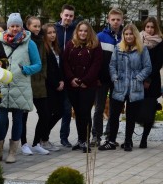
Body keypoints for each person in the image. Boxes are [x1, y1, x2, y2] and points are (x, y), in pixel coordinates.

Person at [0, 13, 42, 163]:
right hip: (2, 86)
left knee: (18, 120)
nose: (15, 29)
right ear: (7, 27)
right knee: (1, 120)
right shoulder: (0, 42)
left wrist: (26, 70)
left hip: (20, 87)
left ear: (22, 27)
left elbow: (38, 65)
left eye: (17, 26)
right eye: (12, 26)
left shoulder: (29, 43)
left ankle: (13, 152)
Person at [100, 24, 151, 152]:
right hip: (119, 87)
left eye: (131, 34)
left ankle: (128, 141)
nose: (128, 36)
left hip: (135, 88)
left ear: (135, 35)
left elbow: (147, 67)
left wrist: (138, 78)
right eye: (126, 34)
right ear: (123, 35)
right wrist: (115, 78)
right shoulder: (118, 48)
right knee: (114, 115)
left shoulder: (142, 49)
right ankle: (111, 141)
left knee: (131, 116)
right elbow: (112, 66)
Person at [62, 21, 102, 153]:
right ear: (77, 32)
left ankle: (85, 140)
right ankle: (80, 140)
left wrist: (85, 80)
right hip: (72, 84)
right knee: (78, 113)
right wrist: (71, 78)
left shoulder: (95, 45)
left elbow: (96, 65)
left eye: (85, 31)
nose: (83, 33)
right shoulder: (70, 44)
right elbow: (65, 62)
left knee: (85, 112)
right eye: (80, 31)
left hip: (88, 85)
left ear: (89, 32)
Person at [21, 16, 53, 156]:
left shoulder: (41, 41)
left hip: (40, 83)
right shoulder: (23, 41)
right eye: (34, 26)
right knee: (23, 116)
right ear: (27, 26)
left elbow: (44, 61)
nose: (37, 29)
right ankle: (23, 144)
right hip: (26, 81)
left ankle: (36, 143)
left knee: (45, 114)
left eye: (39, 26)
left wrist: (44, 75)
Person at [92, 8, 124, 145]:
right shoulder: (100, 37)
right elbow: (95, 59)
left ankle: (111, 137)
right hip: (102, 79)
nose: (115, 22)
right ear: (108, 20)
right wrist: (96, 77)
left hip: (118, 80)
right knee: (99, 108)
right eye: (113, 19)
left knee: (114, 109)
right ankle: (96, 136)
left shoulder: (126, 37)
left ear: (122, 20)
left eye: (118, 19)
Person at [136, 17, 163, 148]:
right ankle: (129, 138)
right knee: (135, 109)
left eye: (152, 27)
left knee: (149, 111)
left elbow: (157, 64)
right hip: (137, 80)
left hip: (152, 82)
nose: (150, 29)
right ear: (144, 27)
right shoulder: (138, 40)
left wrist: (147, 80)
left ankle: (144, 139)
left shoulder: (160, 43)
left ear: (155, 28)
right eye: (148, 27)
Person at [38, 23, 65, 150]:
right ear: (44, 35)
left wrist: (62, 81)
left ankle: (42, 137)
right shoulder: (44, 49)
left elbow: (59, 68)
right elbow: (46, 71)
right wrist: (56, 83)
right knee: (47, 114)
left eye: (54, 32)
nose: (53, 35)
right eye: (49, 33)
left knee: (60, 111)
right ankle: (43, 139)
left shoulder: (56, 48)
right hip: (48, 86)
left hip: (58, 85)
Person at [55, 4, 76, 147]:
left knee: (67, 110)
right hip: (55, 73)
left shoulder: (76, 31)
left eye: (71, 16)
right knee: (52, 109)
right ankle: (43, 137)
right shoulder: (54, 30)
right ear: (61, 14)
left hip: (70, 73)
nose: (68, 18)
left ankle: (64, 137)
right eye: (66, 15)